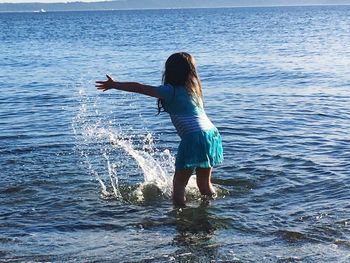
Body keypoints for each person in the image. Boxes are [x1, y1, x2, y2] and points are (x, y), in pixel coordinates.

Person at [96, 52, 223, 206]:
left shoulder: (170, 91)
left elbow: (140, 88)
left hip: (193, 137)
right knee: (204, 183)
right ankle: (210, 210)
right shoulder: (193, 89)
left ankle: (180, 217)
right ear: (190, 72)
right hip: (211, 134)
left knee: (178, 184)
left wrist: (115, 84)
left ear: (169, 71)